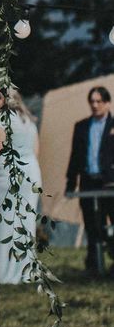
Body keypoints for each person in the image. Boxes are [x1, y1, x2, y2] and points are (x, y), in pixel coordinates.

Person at [0, 87, 41, 284]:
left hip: (7, 176)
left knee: (5, 223)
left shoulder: (0, 121)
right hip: (31, 174)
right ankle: (26, 271)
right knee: (26, 223)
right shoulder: (29, 122)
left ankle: (6, 273)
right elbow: (36, 151)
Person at [65, 85, 114, 274]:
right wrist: (71, 182)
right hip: (87, 182)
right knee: (92, 224)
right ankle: (94, 265)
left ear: (107, 103)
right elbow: (75, 156)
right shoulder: (82, 127)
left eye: (98, 101)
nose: (94, 105)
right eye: (91, 101)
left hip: (109, 183)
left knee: (111, 224)